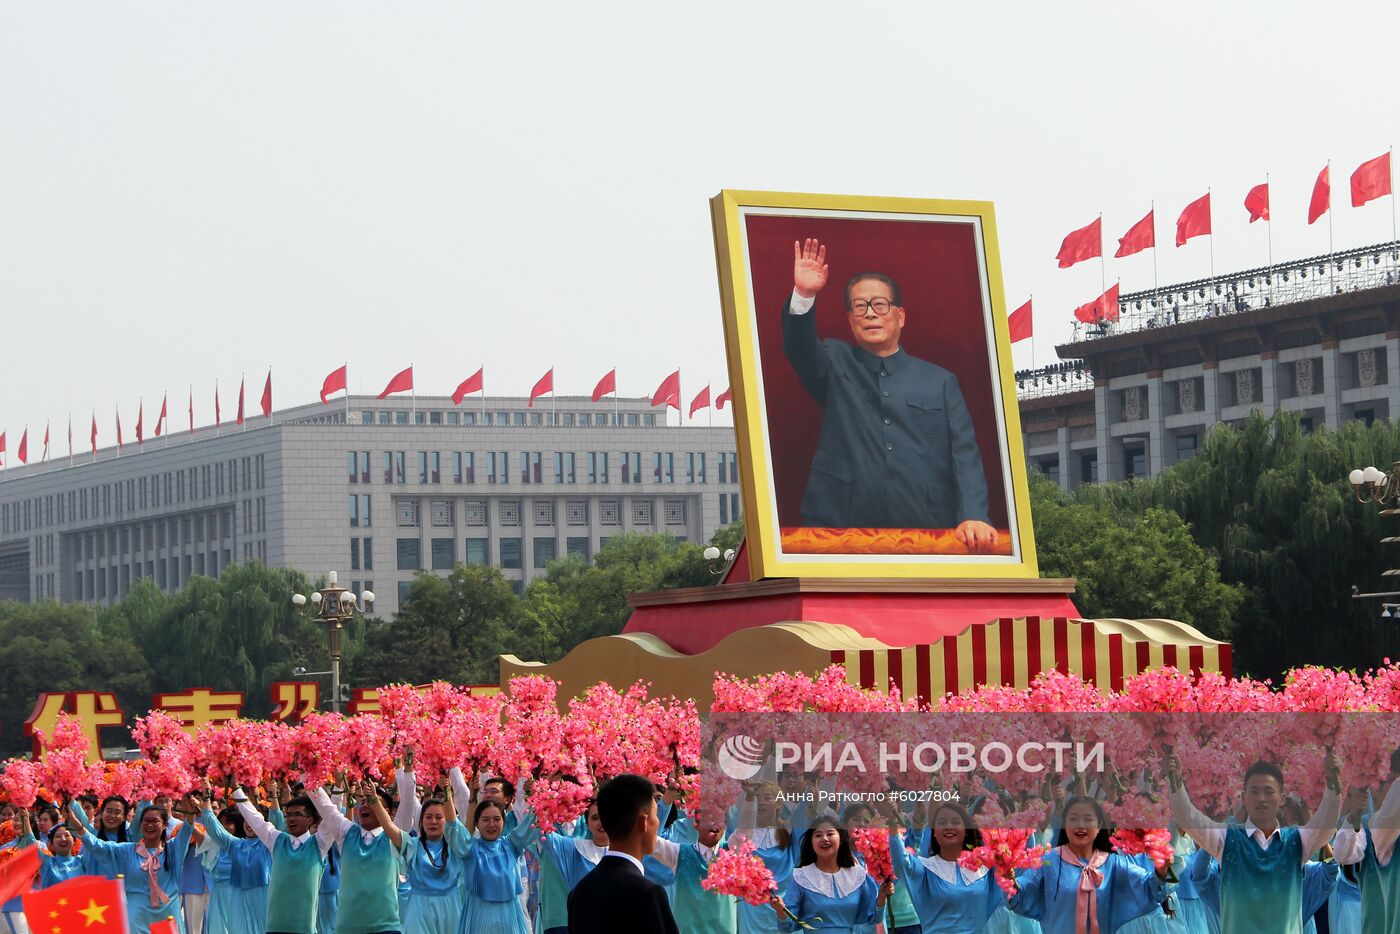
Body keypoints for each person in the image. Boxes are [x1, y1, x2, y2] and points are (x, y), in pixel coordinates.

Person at [782, 238, 996, 548]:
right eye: (860, 306)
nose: (870, 314)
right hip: (839, 528)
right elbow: (798, 346)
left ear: (900, 316)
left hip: (926, 529)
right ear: (850, 320)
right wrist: (804, 293)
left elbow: (964, 455)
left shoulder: (940, 381)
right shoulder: (834, 361)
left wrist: (974, 514)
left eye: (880, 305)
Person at [1167, 752, 1343, 934]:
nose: (1261, 798)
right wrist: (1176, 782)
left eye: (1268, 791)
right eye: (1254, 791)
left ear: (1281, 798)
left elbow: (1325, 826)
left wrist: (1333, 783)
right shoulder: (1228, 838)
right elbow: (1190, 819)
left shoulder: (1296, 840)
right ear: (1243, 797)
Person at [1008, 797, 1172, 934]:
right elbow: (1020, 896)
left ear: (1099, 825)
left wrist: (1162, 869)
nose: (1080, 825)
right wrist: (1008, 876)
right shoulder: (1048, 861)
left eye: (1088, 819)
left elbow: (1149, 888)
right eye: (1073, 819)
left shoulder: (1113, 864)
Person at [567, 773, 679, 934]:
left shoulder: (579, 892)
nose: (657, 823)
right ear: (643, 822)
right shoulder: (648, 893)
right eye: (655, 816)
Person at [71, 798, 199, 933]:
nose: (150, 825)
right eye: (146, 821)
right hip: (137, 920)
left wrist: (190, 814)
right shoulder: (127, 850)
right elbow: (98, 846)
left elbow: (186, 830)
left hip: (168, 918)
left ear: (165, 825)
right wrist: (77, 825)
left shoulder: (173, 849)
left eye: (154, 821)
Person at [234, 787, 337, 934]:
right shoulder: (277, 840)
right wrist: (236, 789)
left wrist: (312, 780)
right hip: (275, 927)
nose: (291, 819)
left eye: (297, 814)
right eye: (288, 815)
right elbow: (254, 818)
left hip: (304, 929)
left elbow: (332, 816)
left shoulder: (319, 844)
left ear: (309, 820)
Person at [891, 802, 1004, 933]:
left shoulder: (984, 868)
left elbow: (1007, 869)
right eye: (942, 822)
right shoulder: (926, 868)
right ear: (934, 832)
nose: (949, 827)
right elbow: (901, 861)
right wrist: (892, 823)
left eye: (956, 822)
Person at [311, 780, 407, 934]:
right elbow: (326, 807)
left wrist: (405, 769)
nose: (365, 805)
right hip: (348, 928)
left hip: (385, 928)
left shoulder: (394, 838)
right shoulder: (346, 833)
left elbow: (408, 802)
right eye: (362, 802)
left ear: (387, 812)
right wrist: (307, 773)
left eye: (372, 801)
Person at [771, 816, 887, 932]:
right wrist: (781, 911)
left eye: (830, 834)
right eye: (818, 835)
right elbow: (787, 926)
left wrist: (882, 895)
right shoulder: (801, 877)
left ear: (841, 839)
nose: (824, 839)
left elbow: (874, 916)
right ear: (811, 842)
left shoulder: (857, 875)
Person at [450, 797, 537, 934]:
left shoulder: (512, 845)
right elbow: (453, 826)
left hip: (510, 919)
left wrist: (544, 793)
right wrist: (447, 791)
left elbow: (532, 819)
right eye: (485, 820)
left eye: (497, 819)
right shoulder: (470, 849)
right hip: (479, 919)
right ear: (476, 823)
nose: (491, 824)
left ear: (503, 822)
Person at [1333, 756, 1400, 934]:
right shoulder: (1366, 826)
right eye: (1390, 781)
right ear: (1375, 789)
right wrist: (1353, 816)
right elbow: (1342, 855)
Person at [196, 787, 272, 934]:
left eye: (254, 821)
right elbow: (215, 829)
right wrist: (206, 800)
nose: (249, 824)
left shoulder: (271, 844)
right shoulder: (236, 845)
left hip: (263, 898)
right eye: (246, 820)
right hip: (238, 900)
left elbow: (278, 819)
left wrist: (274, 796)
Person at [400, 792, 466, 934]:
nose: (433, 822)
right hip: (419, 909)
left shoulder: (455, 846)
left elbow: (455, 824)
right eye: (428, 817)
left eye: (439, 817)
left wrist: (447, 790)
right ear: (421, 821)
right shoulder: (411, 845)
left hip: (450, 910)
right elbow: (389, 827)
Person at [16, 808, 83, 888]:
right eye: (58, 836)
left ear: (74, 841)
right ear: (52, 844)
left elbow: (92, 842)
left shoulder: (82, 861)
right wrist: (26, 819)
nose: (63, 839)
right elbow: (31, 844)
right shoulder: (47, 863)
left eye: (67, 835)